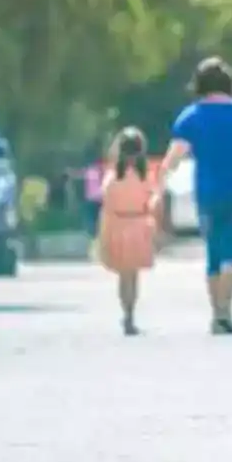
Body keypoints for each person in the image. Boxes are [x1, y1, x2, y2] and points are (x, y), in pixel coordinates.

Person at [155, 57, 232, 335]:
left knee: (213, 252)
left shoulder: (191, 117)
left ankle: (216, 312)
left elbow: (173, 158)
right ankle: (225, 311)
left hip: (207, 192)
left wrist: (159, 187)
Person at [97, 127, 157, 336]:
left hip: (119, 224)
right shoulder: (145, 177)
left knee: (124, 275)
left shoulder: (112, 177)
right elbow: (152, 202)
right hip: (139, 225)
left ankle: (127, 313)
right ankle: (130, 312)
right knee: (133, 275)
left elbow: (106, 206)